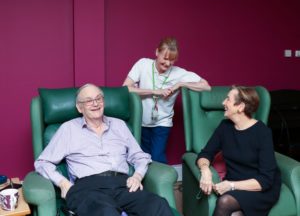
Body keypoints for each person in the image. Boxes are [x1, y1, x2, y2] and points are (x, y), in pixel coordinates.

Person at [35, 83, 173, 216]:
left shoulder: (119, 125)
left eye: (98, 98)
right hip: (87, 188)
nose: (95, 103)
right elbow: (42, 162)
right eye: (89, 101)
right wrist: (63, 183)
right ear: (79, 107)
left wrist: (137, 176)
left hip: (123, 185)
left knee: (158, 205)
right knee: (106, 212)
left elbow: (140, 156)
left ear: (103, 101)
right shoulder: (68, 129)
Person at [123, 37, 211, 163]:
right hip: (140, 121)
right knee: (142, 159)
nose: (168, 63)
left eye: (172, 60)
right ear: (157, 52)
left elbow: (206, 87)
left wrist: (181, 84)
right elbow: (126, 88)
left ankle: (163, 181)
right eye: (165, 58)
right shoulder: (143, 64)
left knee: (157, 158)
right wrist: (154, 92)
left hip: (162, 123)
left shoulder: (179, 73)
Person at [196, 86, 281, 216]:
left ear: (240, 107)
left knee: (225, 202)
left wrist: (231, 185)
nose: (223, 102)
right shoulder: (225, 127)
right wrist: (205, 170)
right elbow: (206, 153)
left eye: (228, 99)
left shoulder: (262, 132)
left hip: (259, 187)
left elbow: (265, 181)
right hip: (235, 180)